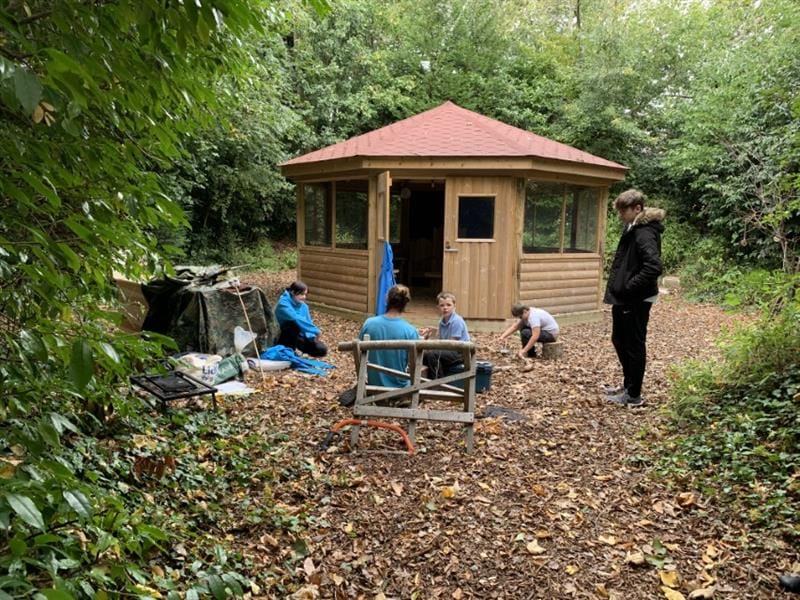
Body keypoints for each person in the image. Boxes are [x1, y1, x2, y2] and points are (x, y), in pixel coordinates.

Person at [604, 189, 665, 408]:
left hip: (636, 299)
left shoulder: (644, 232)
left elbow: (653, 266)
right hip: (626, 297)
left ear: (637, 208)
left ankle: (634, 394)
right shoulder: (633, 227)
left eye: (623, 210)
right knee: (619, 339)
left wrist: (629, 287)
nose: (620, 215)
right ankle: (628, 386)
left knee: (633, 344)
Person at [359, 285, 419, 388]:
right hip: (399, 388)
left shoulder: (369, 324)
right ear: (406, 303)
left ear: (386, 299)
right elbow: (413, 362)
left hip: (372, 385)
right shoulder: (410, 331)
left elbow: (359, 350)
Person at [420, 292, 470, 379]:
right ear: (438, 307)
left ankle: (438, 383)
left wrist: (432, 345)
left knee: (433, 355)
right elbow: (440, 338)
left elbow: (452, 343)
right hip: (449, 350)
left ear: (454, 306)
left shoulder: (456, 321)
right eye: (442, 305)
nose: (445, 308)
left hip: (460, 352)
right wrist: (428, 340)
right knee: (424, 355)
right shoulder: (441, 321)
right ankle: (428, 380)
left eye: (448, 305)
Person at [274, 281, 328, 357]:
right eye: (301, 294)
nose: (304, 297)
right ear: (293, 292)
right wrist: (315, 330)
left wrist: (312, 338)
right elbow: (296, 318)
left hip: (299, 335)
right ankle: (289, 350)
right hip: (282, 335)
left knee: (321, 349)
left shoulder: (304, 306)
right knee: (293, 325)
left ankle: (298, 350)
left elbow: (308, 321)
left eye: (305, 294)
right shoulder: (283, 303)